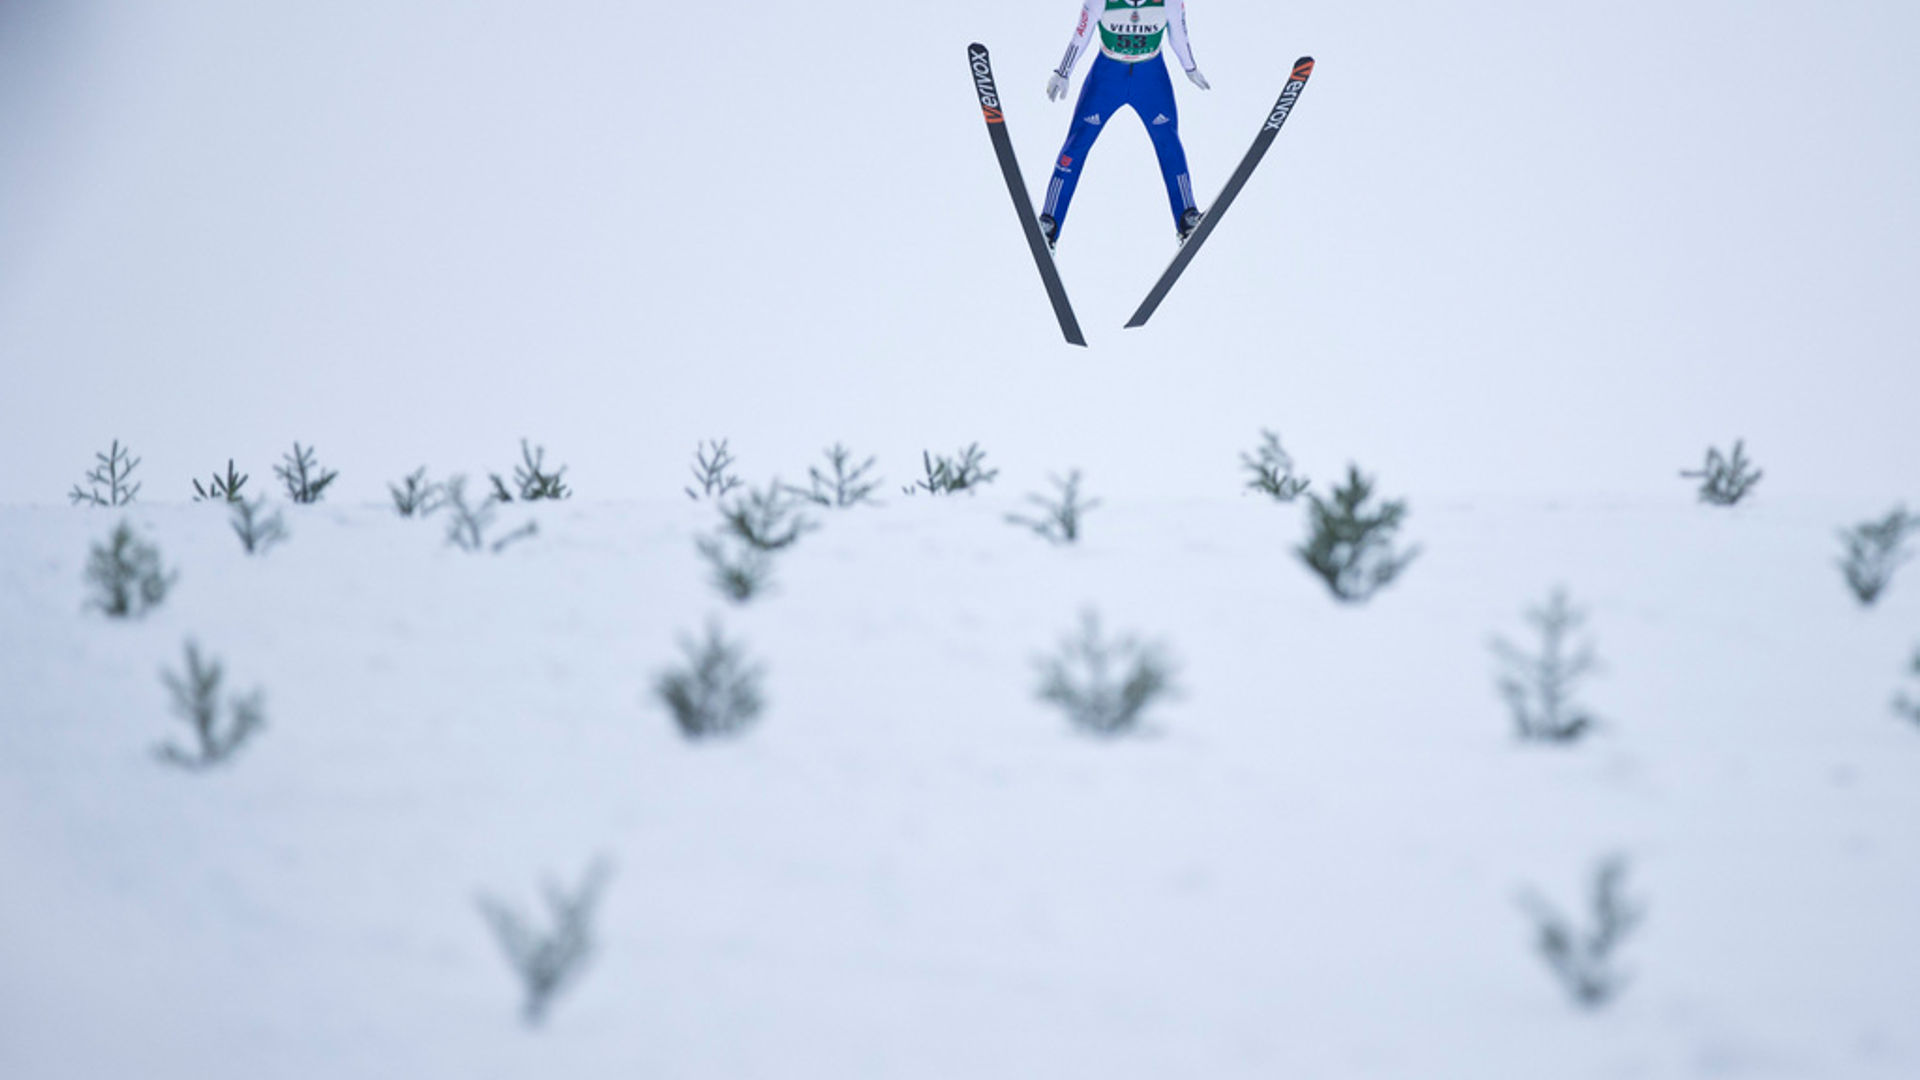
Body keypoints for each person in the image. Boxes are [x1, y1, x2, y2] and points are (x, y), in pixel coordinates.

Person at [1040, 0, 1210, 249]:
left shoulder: (1169, 2)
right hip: (1107, 77)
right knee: (1077, 143)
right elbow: (1081, 35)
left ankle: (1187, 217)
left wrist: (1190, 67)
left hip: (1150, 78)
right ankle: (1049, 222)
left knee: (1169, 143)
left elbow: (1179, 36)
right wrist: (1063, 72)